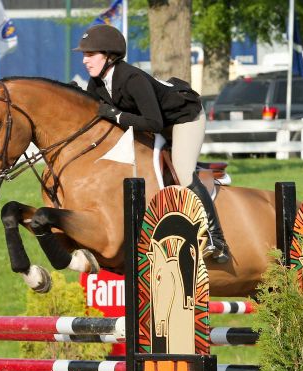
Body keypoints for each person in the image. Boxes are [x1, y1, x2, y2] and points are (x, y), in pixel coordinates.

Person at [72, 24, 228, 263]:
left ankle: (217, 240)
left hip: (184, 119)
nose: (85, 60)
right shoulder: (99, 82)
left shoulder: (131, 78)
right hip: (157, 121)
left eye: (90, 54)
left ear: (109, 56)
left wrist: (117, 116)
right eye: (84, 55)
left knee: (183, 171)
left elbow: (153, 122)